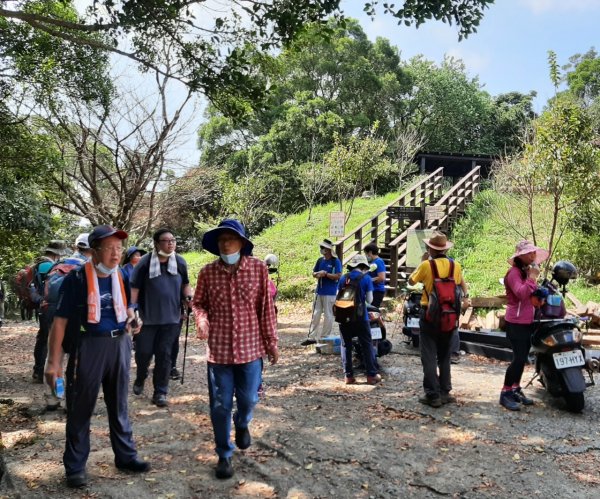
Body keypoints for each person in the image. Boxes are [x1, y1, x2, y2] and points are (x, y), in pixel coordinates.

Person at [44, 225, 150, 488]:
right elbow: (59, 322)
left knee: (119, 405)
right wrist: (53, 361)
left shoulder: (122, 276)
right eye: (109, 249)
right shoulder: (76, 279)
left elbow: (129, 308)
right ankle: (75, 467)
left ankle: (126, 457)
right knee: (81, 407)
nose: (116, 255)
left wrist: (135, 320)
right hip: (88, 347)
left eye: (119, 248)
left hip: (120, 345)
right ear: (94, 251)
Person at [192, 219, 278, 480]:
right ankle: (224, 455)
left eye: (230, 239)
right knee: (219, 405)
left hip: (251, 349)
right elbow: (198, 304)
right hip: (219, 351)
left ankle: (242, 423)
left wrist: (271, 343)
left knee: (249, 398)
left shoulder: (258, 269)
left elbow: (265, 309)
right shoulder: (207, 272)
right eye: (221, 240)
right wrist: (201, 319)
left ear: (241, 243)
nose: (225, 244)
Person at [129, 229, 192, 407]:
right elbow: (134, 288)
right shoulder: (145, 262)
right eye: (166, 241)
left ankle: (160, 392)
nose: (170, 243)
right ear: (156, 243)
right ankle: (141, 376)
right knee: (143, 353)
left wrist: (189, 299)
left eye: (173, 240)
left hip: (171, 319)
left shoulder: (179, 262)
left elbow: (186, 284)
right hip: (147, 320)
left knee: (164, 356)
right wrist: (132, 310)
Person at [408, 231, 467, 408]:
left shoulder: (426, 265)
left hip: (430, 314)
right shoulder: (455, 266)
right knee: (445, 354)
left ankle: (432, 395)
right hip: (449, 315)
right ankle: (445, 392)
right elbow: (458, 284)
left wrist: (422, 262)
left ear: (431, 249)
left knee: (428, 355)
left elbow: (411, 282)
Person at [499, 240, 548, 411]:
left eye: (534, 253)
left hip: (527, 320)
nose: (533, 256)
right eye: (530, 253)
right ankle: (505, 393)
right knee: (518, 358)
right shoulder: (513, 273)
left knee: (523, 358)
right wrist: (533, 278)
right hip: (515, 322)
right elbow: (520, 293)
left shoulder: (524, 272)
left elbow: (529, 295)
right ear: (520, 255)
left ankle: (515, 389)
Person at [338, 254, 382, 385]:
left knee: (346, 344)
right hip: (360, 317)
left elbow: (337, 296)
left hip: (344, 316)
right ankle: (371, 375)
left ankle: (348, 376)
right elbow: (370, 300)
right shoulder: (366, 278)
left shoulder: (343, 278)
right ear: (363, 266)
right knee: (367, 344)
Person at [31, 240, 69, 383]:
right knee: (50, 340)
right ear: (57, 254)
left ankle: (37, 371)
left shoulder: (38, 264)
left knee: (42, 338)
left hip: (42, 306)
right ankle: (43, 373)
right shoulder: (50, 266)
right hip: (49, 306)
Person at [301, 239, 342, 346]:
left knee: (328, 315)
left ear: (328, 249)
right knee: (315, 314)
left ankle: (325, 337)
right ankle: (311, 337)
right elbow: (313, 273)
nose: (321, 249)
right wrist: (317, 274)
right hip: (319, 291)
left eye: (322, 248)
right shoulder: (320, 260)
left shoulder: (335, 261)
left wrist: (326, 274)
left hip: (330, 292)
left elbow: (338, 275)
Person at [364, 243, 387, 308]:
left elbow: (382, 277)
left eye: (366, 253)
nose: (366, 255)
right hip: (372, 290)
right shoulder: (373, 262)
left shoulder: (378, 261)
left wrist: (369, 281)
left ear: (370, 252)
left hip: (377, 291)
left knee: (373, 311)